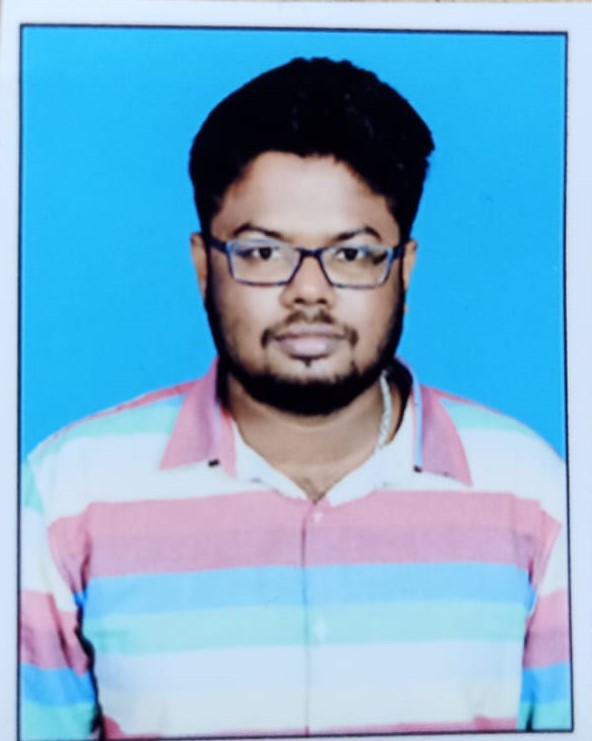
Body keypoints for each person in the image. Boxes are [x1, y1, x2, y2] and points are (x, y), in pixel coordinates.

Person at [20, 57, 571, 740]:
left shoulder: (533, 496)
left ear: (404, 270)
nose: (309, 292)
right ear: (204, 266)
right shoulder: (68, 495)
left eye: (353, 254)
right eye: (262, 252)